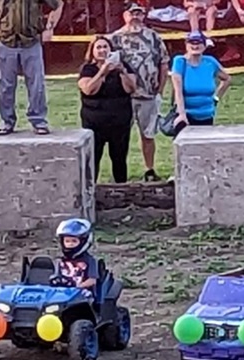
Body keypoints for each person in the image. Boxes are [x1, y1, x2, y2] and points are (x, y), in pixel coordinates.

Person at [0, 0, 62, 136]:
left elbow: (58, 5)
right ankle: (6, 122)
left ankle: (39, 121)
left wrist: (50, 28)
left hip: (32, 42)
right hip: (6, 42)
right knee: (4, 86)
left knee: (37, 85)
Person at [112, 2, 170, 182]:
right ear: (125, 16)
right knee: (120, 137)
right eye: (132, 13)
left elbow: (163, 63)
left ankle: (149, 170)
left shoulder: (154, 37)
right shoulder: (114, 39)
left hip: (148, 95)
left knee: (148, 135)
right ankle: (120, 174)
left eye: (139, 14)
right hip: (123, 97)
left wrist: (160, 91)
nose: (135, 17)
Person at [78, 36, 137, 184]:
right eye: (98, 47)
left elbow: (131, 88)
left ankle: (121, 189)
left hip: (119, 121)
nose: (102, 50)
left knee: (119, 158)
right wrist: (102, 72)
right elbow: (89, 90)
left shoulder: (124, 67)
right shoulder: (87, 69)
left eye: (105, 47)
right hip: (94, 122)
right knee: (93, 158)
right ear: (92, 52)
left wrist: (122, 71)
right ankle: (90, 188)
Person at [170, 30, 232, 127]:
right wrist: (182, 114)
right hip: (186, 115)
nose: (195, 46)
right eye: (192, 43)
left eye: (199, 43)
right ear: (186, 45)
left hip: (207, 115)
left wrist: (216, 98)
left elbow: (227, 79)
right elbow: (178, 91)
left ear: (204, 45)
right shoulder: (179, 62)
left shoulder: (210, 62)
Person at [54, 218, 98, 291]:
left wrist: (78, 287)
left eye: (74, 241)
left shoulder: (90, 260)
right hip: (63, 293)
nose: (70, 244)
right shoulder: (61, 261)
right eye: (67, 241)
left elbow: (92, 281)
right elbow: (57, 277)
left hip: (84, 294)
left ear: (83, 242)